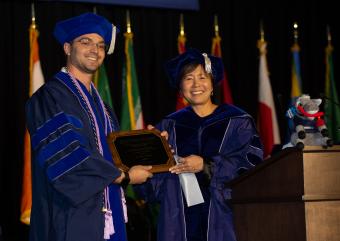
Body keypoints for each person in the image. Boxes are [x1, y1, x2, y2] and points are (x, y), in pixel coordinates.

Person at [25, 13, 153, 241]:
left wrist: (151, 145)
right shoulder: (49, 97)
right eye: (86, 42)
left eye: (101, 45)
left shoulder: (103, 106)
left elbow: (113, 153)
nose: (95, 49)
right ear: (67, 48)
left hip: (107, 210)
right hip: (68, 213)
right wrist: (123, 177)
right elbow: (67, 156)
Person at [137, 48, 264, 241]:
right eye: (188, 78)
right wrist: (149, 149)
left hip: (225, 221)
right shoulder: (169, 126)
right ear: (180, 89)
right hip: (177, 223)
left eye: (202, 77)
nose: (196, 84)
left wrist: (206, 166)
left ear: (213, 85)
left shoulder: (237, 121)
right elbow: (153, 189)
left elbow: (251, 167)